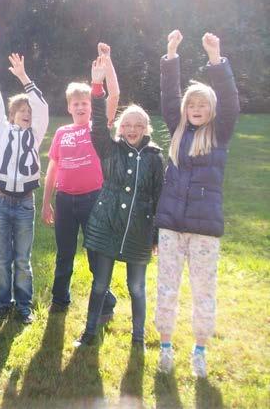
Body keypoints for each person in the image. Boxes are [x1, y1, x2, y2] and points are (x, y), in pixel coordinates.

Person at [155, 30, 239, 378]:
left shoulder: (219, 134)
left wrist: (216, 58)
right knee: (166, 287)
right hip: (171, 226)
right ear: (185, 109)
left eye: (203, 105)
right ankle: (165, 347)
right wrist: (171, 53)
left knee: (204, 290)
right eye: (192, 105)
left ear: (212, 110)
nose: (197, 109)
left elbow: (232, 101)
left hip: (205, 229)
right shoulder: (177, 130)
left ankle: (200, 350)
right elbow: (168, 96)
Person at [74, 54, 165, 348]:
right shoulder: (110, 150)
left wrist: (156, 236)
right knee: (99, 285)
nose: (133, 129)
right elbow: (98, 125)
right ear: (121, 128)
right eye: (127, 125)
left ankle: (138, 339)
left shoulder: (154, 158)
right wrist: (96, 86)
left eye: (138, 125)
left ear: (146, 128)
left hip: (139, 231)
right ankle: (89, 333)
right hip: (106, 226)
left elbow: (158, 198)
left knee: (137, 288)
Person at [41, 43, 120, 317]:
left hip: (93, 199)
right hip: (64, 201)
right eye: (76, 103)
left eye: (85, 103)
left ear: (91, 106)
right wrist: (46, 202)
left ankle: (105, 303)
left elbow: (114, 95)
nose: (81, 107)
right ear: (69, 107)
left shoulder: (98, 127)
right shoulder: (62, 132)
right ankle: (60, 300)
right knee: (64, 254)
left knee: (95, 253)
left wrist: (107, 62)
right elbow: (52, 168)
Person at [0, 46, 48, 324]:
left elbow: (43, 107)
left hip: (24, 203)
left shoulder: (35, 133)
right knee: (2, 257)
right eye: (21, 110)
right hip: (0, 200)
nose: (27, 113)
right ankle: (2, 301)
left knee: (22, 259)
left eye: (29, 111)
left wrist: (23, 76)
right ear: (11, 115)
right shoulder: (1, 128)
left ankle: (23, 305)